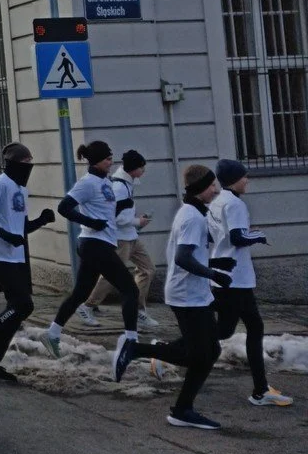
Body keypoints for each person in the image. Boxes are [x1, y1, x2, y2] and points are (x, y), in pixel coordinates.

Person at [115, 165, 233, 429]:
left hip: (195, 294)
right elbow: (183, 258)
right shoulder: (192, 216)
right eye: (212, 185)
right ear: (201, 188)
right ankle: (139, 352)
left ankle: (182, 408)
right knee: (200, 356)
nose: (216, 189)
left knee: (210, 350)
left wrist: (217, 266)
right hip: (186, 295)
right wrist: (212, 273)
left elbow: (193, 253)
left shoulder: (195, 212)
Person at [0, 143, 56, 381]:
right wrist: (5, 236)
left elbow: (21, 227)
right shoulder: (0, 184)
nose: (29, 167)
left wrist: (42, 221)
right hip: (0, 256)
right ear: (14, 163)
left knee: (19, 308)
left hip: (17, 256)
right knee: (21, 306)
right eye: (26, 163)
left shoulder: (20, 189)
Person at [43, 141, 140, 360]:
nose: (111, 162)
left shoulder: (104, 181)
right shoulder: (87, 183)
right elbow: (64, 207)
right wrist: (90, 221)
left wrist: (121, 209)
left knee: (80, 293)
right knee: (130, 290)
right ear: (96, 161)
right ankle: (131, 342)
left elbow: (104, 208)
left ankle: (52, 333)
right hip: (93, 243)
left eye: (111, 157)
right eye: (107, 159)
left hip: (98, 244)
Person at [208, 159, 292, 407]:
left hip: (225, 274)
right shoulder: (234, 204)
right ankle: (260, 390)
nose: (248, 180)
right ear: (234, 179)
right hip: (236, 278)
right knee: (252, 329)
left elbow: (218, 234)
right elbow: (237, 237)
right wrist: (258, 234)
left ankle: (167, 353)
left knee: (224, 331)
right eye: (244, 176)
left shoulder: (217, 201)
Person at [78, 150, 159, 330]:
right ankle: (87, 306)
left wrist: (136, 220)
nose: (144, 170)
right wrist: (138, 221)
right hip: (121, 238)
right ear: (133, 169)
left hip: (131, 236)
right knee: (111, 276)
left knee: (148, 269)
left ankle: (138, 309)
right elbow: (114, 216)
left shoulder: (126, 184)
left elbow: (122, 213)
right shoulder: (119, 187)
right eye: (141, 167)